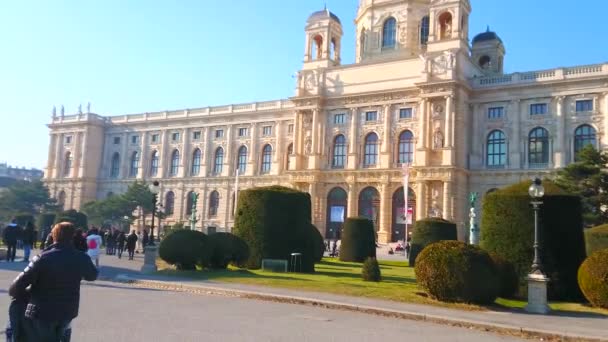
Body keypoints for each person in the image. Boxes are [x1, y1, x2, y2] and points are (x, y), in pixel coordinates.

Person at [8, 222, 98, 341]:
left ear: (53, 236)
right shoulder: (81, 258)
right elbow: (92, 275)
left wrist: (28, 293)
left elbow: (15, 287)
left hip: (42, 311)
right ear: (72, 237)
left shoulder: (43, 258)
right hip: (68, 310)